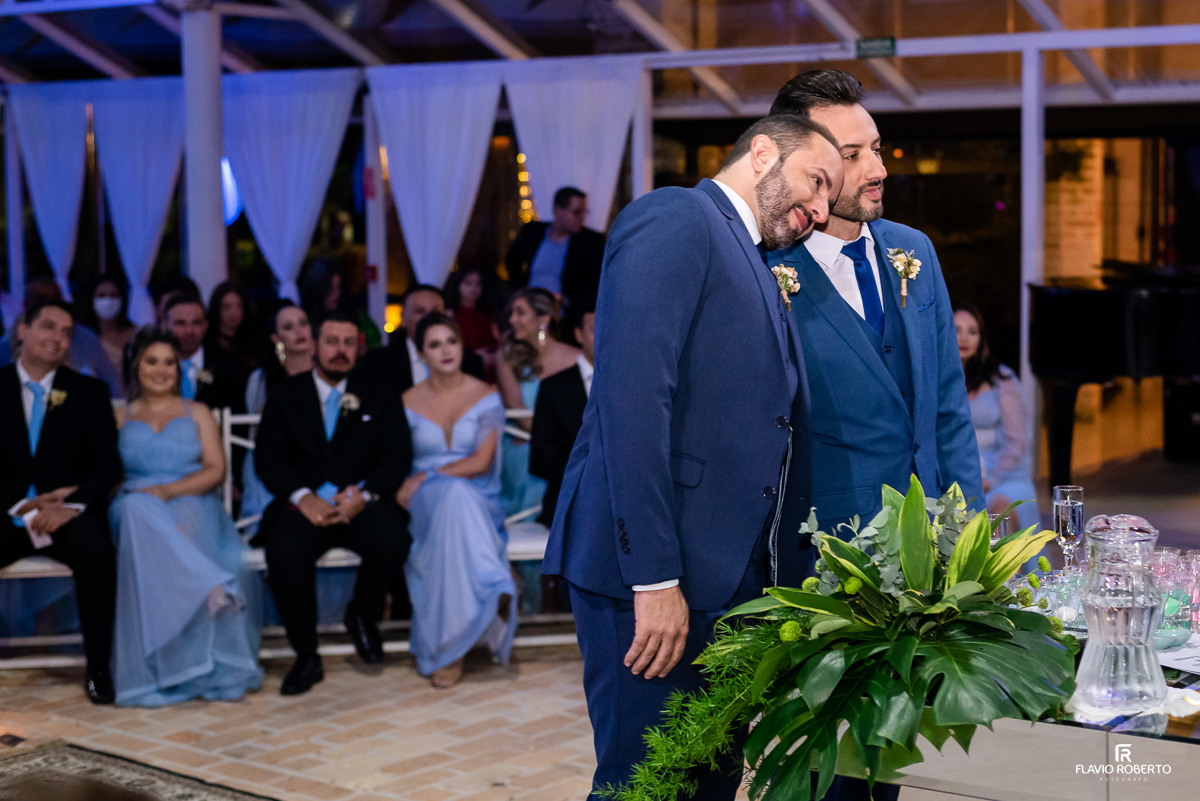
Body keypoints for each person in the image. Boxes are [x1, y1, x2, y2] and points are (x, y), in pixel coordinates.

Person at [542, 114, 840, 800]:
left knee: (707, 783)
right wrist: (653, 578)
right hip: (654, 578)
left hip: (726, 586)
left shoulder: (754, 259)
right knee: (647, 785)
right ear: (763, 152)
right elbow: (632, 399)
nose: (820, 210)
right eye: (815, 181)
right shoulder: (679, 216)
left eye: (829, 199)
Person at [767, 69, 983, 801]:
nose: (880, 169)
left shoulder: (912, 253)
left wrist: (968, 541)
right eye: (855, 154)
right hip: (817, 568)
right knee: (816, 777)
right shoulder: (769, 269)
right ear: (809, 166)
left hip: (918, 565)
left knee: (882, 772)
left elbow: (947, 408)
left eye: (878, 148)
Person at [254, 311, 412, 695]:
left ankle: (361, 611)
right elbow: (267, 459)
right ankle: (307, 655)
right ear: (314, 346)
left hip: (361, 504)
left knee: (394, 539)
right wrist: (302, 497)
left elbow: (398, 457)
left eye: (348, 343)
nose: (340, 351)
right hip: (303, 507)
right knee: (285, 551)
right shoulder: (285, 395)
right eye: (331, 342)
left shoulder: (380, 392)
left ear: (357, 347)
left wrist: (366, 494)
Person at [109, 327, 263, 707]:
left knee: (178, 520)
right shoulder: (117, 414)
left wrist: (167, 492)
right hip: (132, 504)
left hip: (189, 497)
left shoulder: (197, 412)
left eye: (169, 363)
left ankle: (196, 666)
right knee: (134, 509)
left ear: (179, 370)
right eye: (151, 361)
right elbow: (104, 473)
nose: (160, 370)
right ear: (136, 365)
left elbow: (215, 470)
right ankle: (210, 586)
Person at [0, 299, 121, 704]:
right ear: (23, 330)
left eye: (66, 332)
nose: (58, 339)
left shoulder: (89, 392)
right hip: (7, 512)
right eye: (48, 327)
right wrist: (19, 507)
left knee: (98, 552)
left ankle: (98, 669)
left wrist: (70, 507)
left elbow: (107, 466)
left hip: (68, 515)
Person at [396, 312, 516, 688]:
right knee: (449, 500)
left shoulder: (486, 395)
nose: (445, 351)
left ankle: (451, 647)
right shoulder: (406, 400)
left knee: (457, 496)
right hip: (423, 501)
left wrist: (429, 475)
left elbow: (482, 462)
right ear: (421, 354)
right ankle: (490, 582)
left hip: (473, 494)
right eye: (434, 344)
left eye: (452, 341)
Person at [954, 303, 1039, 531]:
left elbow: (1016, 443)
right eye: (956, 330)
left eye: (972, 332)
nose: (964, 338)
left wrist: (988, 481)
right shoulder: (936, 380)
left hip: (1003, 478)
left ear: (981, 339)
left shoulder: (1002, 379)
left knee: (996, 518)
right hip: (958, 477)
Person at [497, 288, 579, 520]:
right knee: (534, 461)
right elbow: (516, 408)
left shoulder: (575, 358)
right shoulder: (507, 357)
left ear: (543, 318)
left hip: (563, 446)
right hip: (523, 441)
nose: (512, 319)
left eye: (520, 312)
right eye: (511, 313)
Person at [241, 301, 315, 534]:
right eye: (289, 327)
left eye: (303, 324)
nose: (299, 331)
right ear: (275, 338)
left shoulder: (327, 373)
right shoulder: (261, 380)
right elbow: (257, 436)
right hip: (274, 462)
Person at [0, 277, 123, 398]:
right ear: (26, 304)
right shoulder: (7, 344)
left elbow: (113, 385)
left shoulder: (85, 337)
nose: (50, 303)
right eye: (42, 298)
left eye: (55, 297)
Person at [361, 285, 485, 398]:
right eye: (420, 311)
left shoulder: (470, 362)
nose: (428, 317)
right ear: (403, 317)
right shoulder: (379, 362)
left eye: (435, 311)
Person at [530, 308, 593, 527]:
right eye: (596, 329)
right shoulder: (554, 387)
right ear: (578, 335)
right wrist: (588, 471)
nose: (605, 335)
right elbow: (539, 457)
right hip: (570, 498)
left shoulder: (631, 385)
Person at [504, 187, 605, 313]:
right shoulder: (533, 232)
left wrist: (567, 300)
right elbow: (512, 261)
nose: (581, 218)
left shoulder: (591, 242)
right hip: (531, 312)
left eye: (584, 213)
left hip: (566, 316)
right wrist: (522, 292)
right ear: (558, 210)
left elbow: (595, 283)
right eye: (576, 212)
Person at [164, 294, 248, 414]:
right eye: (180, 323)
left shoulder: (227, 366)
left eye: (196, 323)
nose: (189, 331)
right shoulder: (151, 366)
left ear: (205, 326)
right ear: (165, 325)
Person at [299, 258, 380, 351]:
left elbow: (375, 339)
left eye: (338, 287)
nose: (335, 295)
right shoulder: (306, 321)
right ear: (317, 290)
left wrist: (365, 348)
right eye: (329, 289)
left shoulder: (355, 315)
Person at [78, 277, 136, 389]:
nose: (108, 300)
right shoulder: (83, 337)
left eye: (114, 295)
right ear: (91, 300)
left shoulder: (136, 335)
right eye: (101, 295)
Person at [445, 268, 501, 379]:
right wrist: (475, 356)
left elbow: (499, 341)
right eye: (468, 283)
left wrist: (495, 356)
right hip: (465, 369)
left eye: (478, 284)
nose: (474, 288)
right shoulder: (450, 314)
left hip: (491, 370)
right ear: (457, 285)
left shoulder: (487, 314)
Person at [206, 282, 257, 371]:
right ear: (217, 309)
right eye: (227, 307)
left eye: (238, 306)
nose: (234, 313)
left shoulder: (253, 342)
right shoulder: (207, 345)